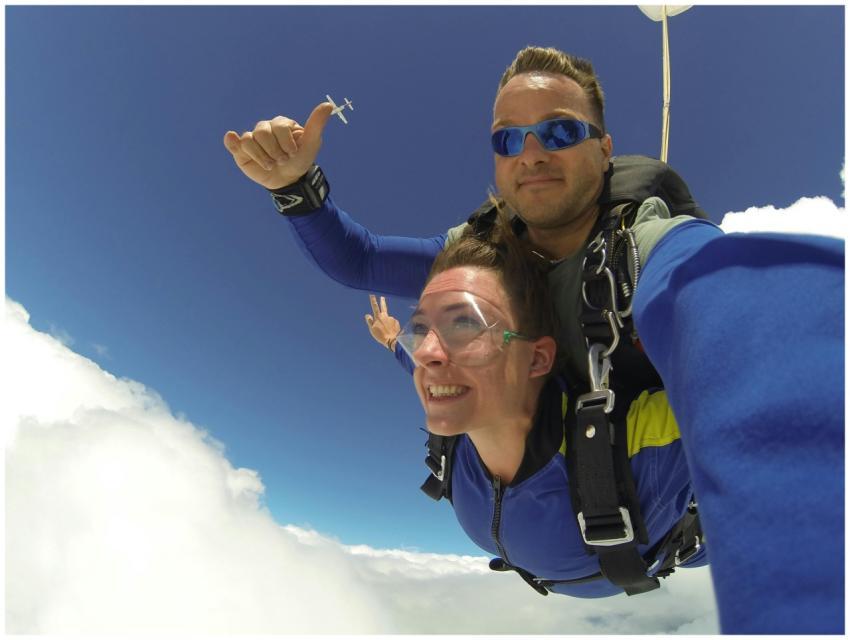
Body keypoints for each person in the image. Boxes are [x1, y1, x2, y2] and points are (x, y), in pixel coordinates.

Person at [224, 46, 843, 632]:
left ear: (604, 150)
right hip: (540, 527)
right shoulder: (479, 257)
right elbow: (360, 264)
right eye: (508, 138)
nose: (531, 151)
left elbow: (735, 314)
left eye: (560, 131)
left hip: (648, 521)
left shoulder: (651, 251)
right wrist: (296, 187)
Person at [363, 211, 706, 599]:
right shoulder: (458, 407)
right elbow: (416, 362)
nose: (427, 353)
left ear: (536, 359)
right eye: (421, 330)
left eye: (465, 325)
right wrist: (394, 339)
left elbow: (751, 391)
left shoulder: (636, 448)